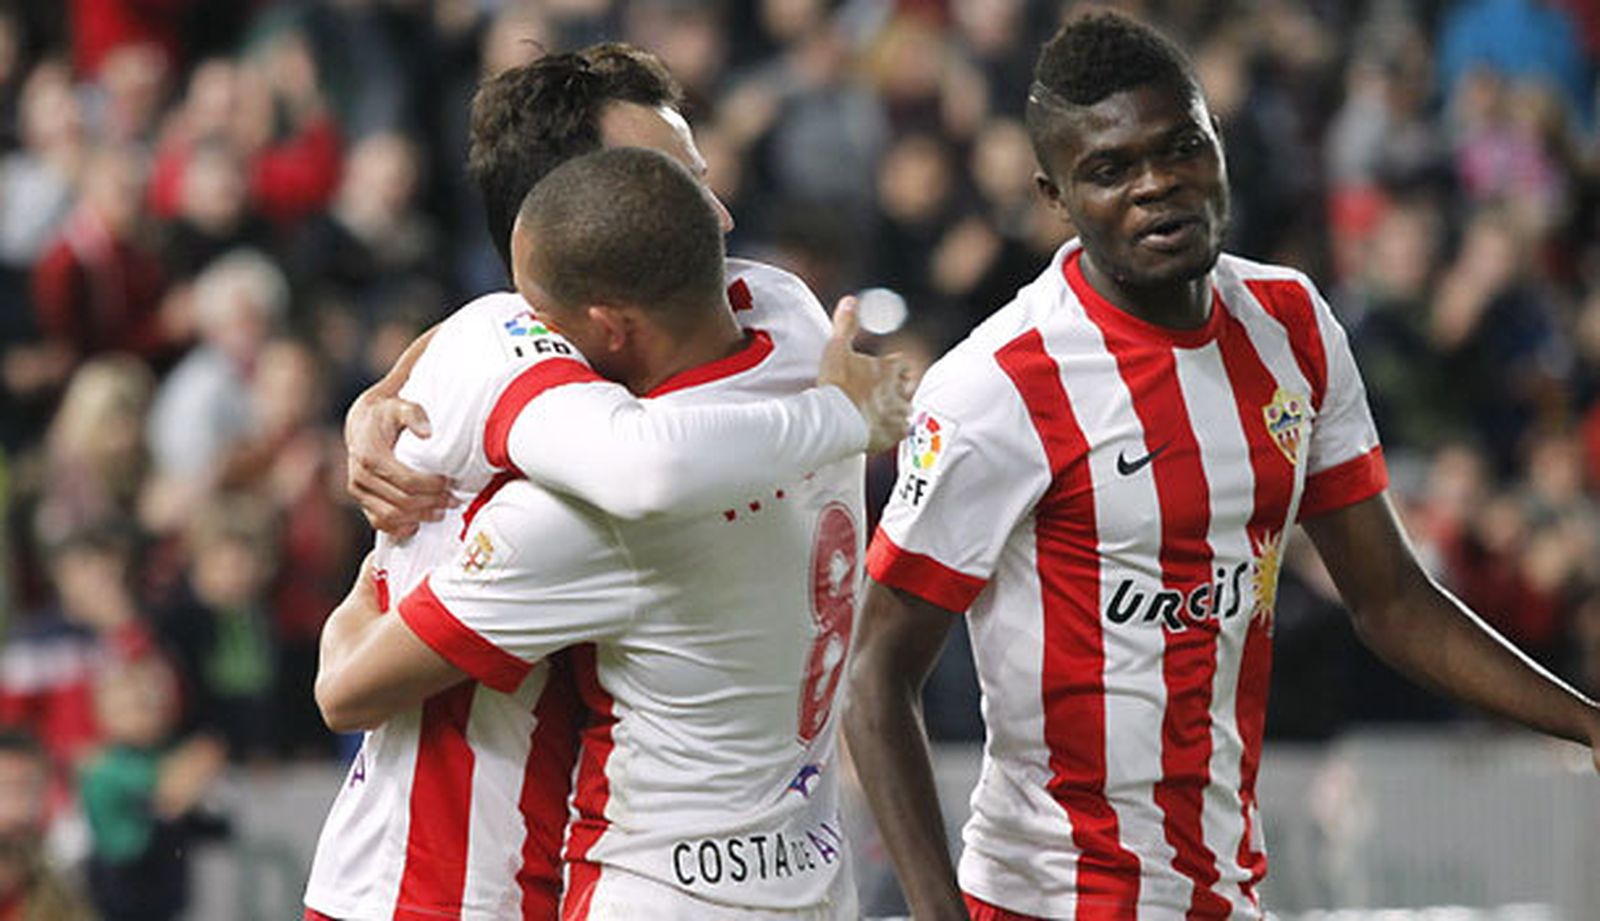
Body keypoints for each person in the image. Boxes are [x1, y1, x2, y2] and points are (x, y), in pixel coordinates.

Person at [843, 11, 1600, 921]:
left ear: (1218, 141)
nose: (1158, 185)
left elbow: (1392, 598)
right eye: (1111, 170)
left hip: (1224, 895)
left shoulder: (1293, 326)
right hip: (1047, 902)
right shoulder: (1000, 384)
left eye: (1180, 148)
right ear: (1055, 196)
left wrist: (1587, 722)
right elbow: (875, 668)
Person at [305, 47, 907, 921]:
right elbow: (643, 466)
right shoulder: (577, 450)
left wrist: (379, 399)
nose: (720, 216)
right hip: (434, 884)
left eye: (698, 180)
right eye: (671, 183)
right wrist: (847, 418)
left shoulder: (773, 309)